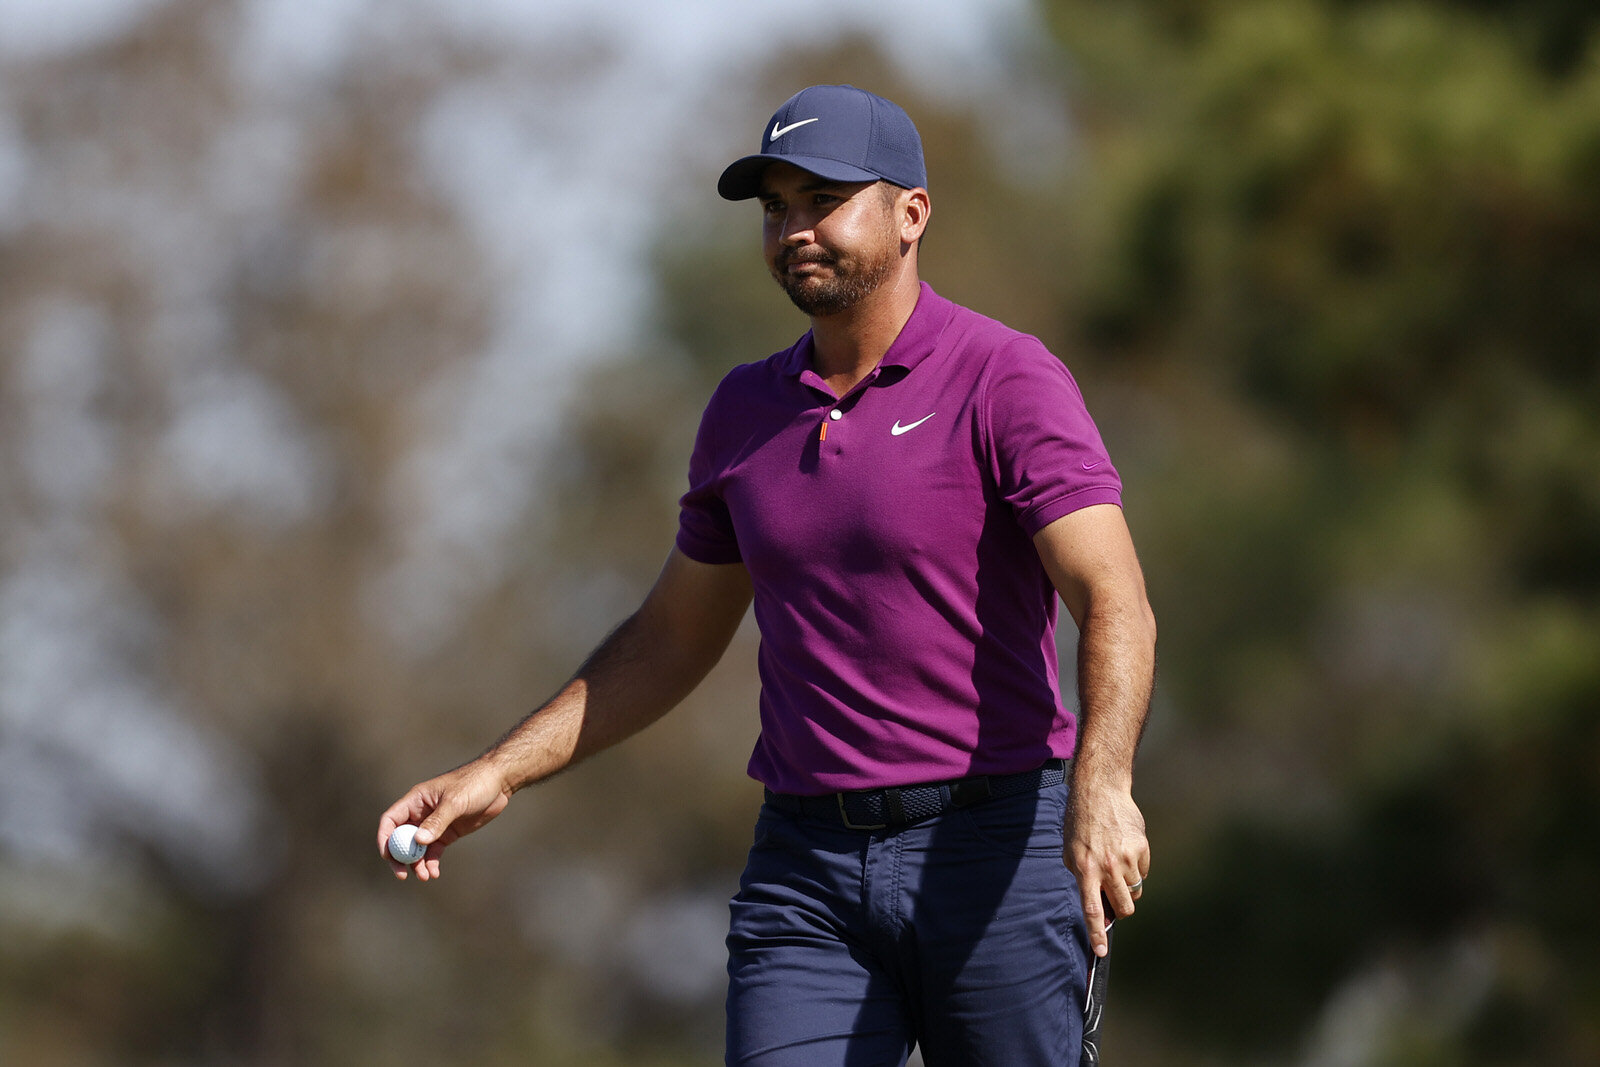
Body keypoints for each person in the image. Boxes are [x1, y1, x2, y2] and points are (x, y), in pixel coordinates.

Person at [377, 83, 1156, 1067]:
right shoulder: (744, 409)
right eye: (775, 206)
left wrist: (1103, 784)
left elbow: (1112, 597)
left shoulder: (1005, 377)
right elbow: (670, 636)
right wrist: (498, 768)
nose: (795, 228)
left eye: (823, 199)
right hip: (808, 865)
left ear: (910, 213)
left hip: (992, 843)